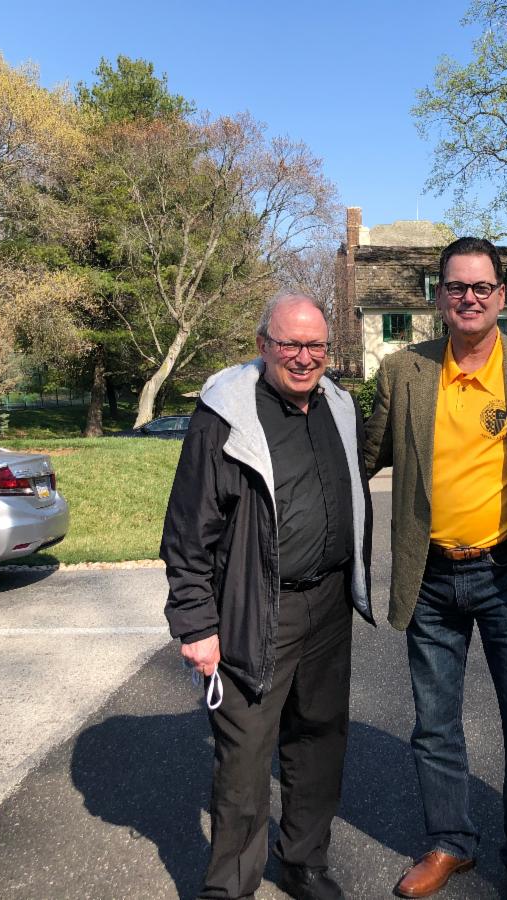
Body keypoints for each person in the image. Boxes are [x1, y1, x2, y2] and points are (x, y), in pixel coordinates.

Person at [363, 237, 507, 900]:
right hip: (430, 577)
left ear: (501, 295)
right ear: (439, 296)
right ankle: (450, 844)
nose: (469, 297)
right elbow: (362, 457)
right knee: (434, 724)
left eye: (481, 287)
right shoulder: (404, 371)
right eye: (457, 287)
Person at [162, 295, 374, 900]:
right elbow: (188, 529)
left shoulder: (339, 405)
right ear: (263, 345)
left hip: (329, 603)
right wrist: (196, 624)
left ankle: (304, 862)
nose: (304, 358)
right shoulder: (225, 416)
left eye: (316, 346)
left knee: (319, 736)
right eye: (290, 345)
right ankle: (229, 886)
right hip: (256, 607)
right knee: (245, 752)